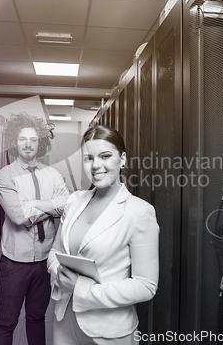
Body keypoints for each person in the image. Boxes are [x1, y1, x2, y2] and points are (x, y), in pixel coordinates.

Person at [47, 125, 159, 344]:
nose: (96, 165)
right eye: (89, 158)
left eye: (105, 156)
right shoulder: (74, 200)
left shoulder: (139, 211)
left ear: (122, 159)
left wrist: (80, 287)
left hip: (109, 331)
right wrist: (58, 271)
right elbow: (54, 251)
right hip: (64, 321)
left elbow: (146, 286)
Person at [0, 113, 70, 345]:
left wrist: (33, 205)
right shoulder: (5, 176)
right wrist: (51, 207)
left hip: (46, 260)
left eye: (33, 139)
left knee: (37, 317)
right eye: (23, 139)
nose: (28, 144)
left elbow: (67, 207)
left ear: (40, 142)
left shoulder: (52, 174)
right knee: (7, 321)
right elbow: (18, 217)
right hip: (15, 262)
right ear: (15, 142)